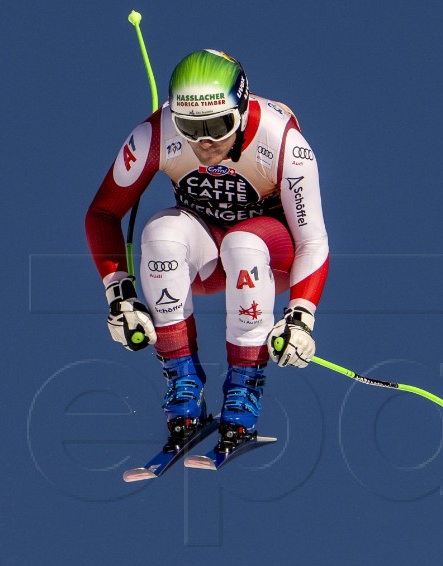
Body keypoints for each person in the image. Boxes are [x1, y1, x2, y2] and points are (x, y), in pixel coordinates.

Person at [85, 49, 329, 450]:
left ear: (243, 108)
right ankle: (182, 384)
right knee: (159, 232)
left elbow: (313, 239)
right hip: (206, 257)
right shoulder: (155, 134)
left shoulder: (283, 142)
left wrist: (301, 316)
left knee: (244, 243)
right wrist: (120, 296)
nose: (204, 143)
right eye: (188, 127)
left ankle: (244, 391)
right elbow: (102, 212)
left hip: (271, 257)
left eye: (218, 125)